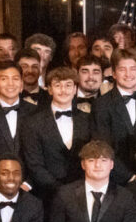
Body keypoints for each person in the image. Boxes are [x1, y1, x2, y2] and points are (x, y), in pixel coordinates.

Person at [20, 67, 91, 201]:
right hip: (47, 195)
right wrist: (60, 190)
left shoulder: (87, 120)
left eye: (68, 85)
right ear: (50, 89)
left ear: (75, 89)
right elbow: (35, 165)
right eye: (58, 85)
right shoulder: (32, 123)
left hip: (83, 194)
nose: (63, 90)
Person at [93, 50, 136, 185]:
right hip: (115, 180)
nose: (128, 74)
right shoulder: (101, 105)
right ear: (114, 73)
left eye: (133, 69)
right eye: (122, 69)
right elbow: (104, 147)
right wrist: (129, 177)